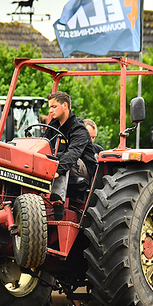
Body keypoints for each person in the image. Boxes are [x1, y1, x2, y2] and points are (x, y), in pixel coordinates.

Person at [44, 91, 96, 219]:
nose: (50, 111)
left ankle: (57, 200)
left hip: (83, 168)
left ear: (65, 106)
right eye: (50, 107)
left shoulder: (79, 129)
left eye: (54, 107)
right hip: (60, 163)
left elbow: (73, 153)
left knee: (64, 157)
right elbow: (44, 144)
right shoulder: (53, 126)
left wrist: (58, 170)